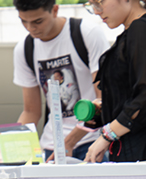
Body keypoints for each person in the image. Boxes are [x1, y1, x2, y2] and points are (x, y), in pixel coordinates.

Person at [12, 0, 111, 162]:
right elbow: (31, 111)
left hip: (92, 141)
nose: (31, 28)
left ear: (55, 10)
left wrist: (70, 141)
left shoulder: (86, 32)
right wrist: (11, 146)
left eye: (38, 21)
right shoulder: (24, 49)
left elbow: (104, 100)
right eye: (24, 21)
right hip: (52, 147)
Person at [85, 0, 146, 163]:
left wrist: (107, 135)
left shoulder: (142, 29)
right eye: (91, 5)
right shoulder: (137, 30)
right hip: (139, 153)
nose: (97, 11)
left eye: (99, 2)